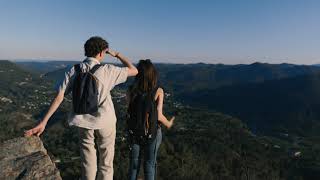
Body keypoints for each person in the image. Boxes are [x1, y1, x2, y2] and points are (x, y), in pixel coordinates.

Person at [24, 36, 138, 180]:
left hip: (83, 121)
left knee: (88, 161)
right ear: (103, 52)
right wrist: (117, 55)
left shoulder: (74, 70)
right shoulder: (108, 69)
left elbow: (59, 97)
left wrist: (43, 122)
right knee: (106, 162)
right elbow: (134, 70)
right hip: (106, 121)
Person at [126, 59, 175, 180]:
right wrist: (168, 123)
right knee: (149, 164)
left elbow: (129, 111)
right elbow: (158, 115)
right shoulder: (158, 91)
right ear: (152, 75)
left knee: (133, 166)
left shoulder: (130, 90)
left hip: (134, 132)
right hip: (151, 133)